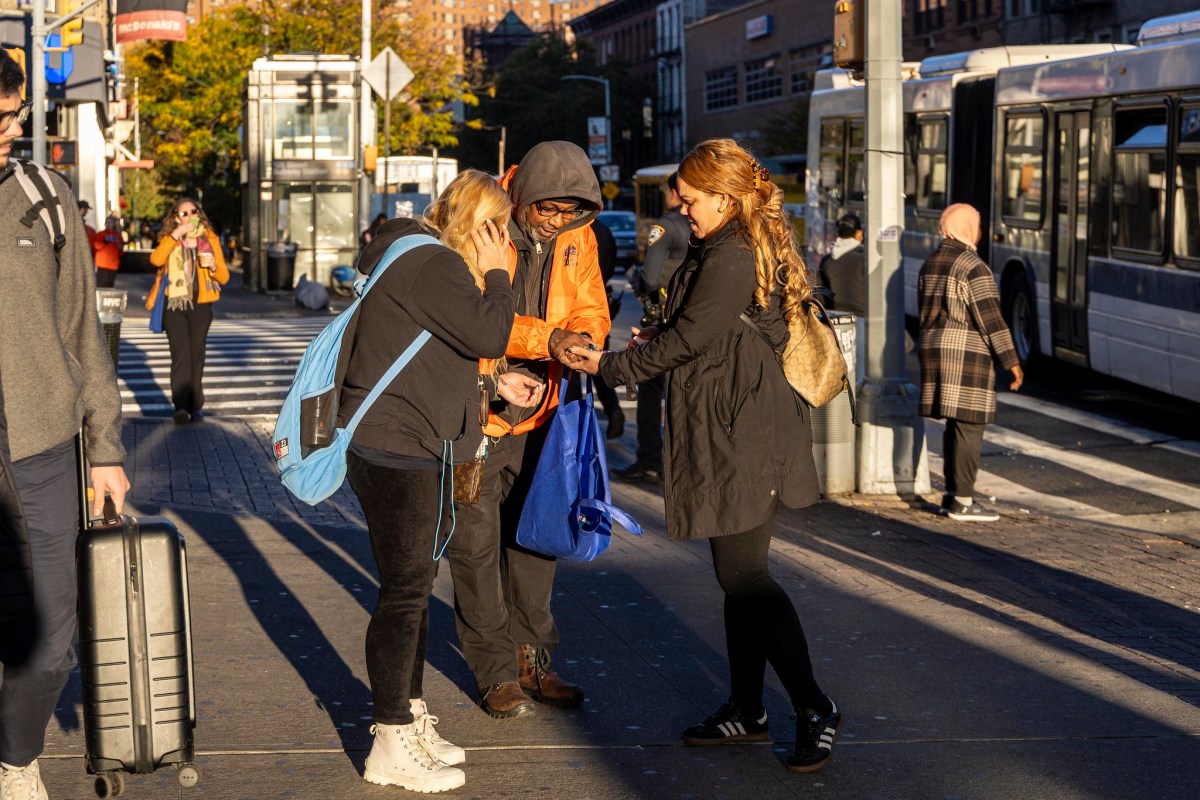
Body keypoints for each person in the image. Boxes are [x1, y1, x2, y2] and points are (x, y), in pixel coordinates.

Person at [570, 138, 843, 775]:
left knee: (744, 576)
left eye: (691, 200)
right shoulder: (722, 244)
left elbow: (693, 338)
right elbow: (700, 330)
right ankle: (747, 708)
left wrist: (608, 363)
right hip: (729, 420)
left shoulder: (732, 253)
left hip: (744, 429)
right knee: (734, 575)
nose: (683, 210)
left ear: (725, 196)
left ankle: (813, 704)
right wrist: (658, 334)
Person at [341, 169, 536, 793]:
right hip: (399, 448)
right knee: (404, 595)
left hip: (404, 442)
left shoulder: (413, 255)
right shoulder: (435, 263)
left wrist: (491, 384)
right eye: (493, 226)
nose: (500, 239)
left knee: (415, 591)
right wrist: (501, 275)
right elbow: (488, 331)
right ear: (470, 223)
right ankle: (390, 741)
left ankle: (412, 717)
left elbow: (436, 349)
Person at [0, 49, 131, 800]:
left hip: (42, 446)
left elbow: (85, 334)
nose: (12, 130)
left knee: (52, 644)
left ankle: (16, 759)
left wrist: (105, 447)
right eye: (1, 118)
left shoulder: (44, 197)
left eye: (16, 114)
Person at [446, 141, 610, 719]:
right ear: (523, 197)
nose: (557, 221)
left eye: (570, 213)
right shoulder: (483, 219)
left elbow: (590, 304)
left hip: (543, 411)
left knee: (537, 540)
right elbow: (473, 316)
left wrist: (585, 340)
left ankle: (533, 661)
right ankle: (494, 672)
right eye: (548, 210)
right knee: (475, 548)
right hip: (479, 410)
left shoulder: (576, 235)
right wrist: (549, 340)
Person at [918, 203, 1023, 522]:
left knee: (955, 424)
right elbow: (991, 319)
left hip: (934, 347)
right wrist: (1012, 362)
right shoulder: (973, 266)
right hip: (965, 352)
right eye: (976, 225)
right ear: (967, 227)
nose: (979, 231)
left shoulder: (931, 261)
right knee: (969, 424)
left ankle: (952, 496)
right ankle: (963, 501)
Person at [618, 171, 690, 485]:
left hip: (661, 317)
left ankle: (649, 460)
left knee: (649, 391)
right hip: (690, 319)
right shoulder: (706, 226)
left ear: (675, 192)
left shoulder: (666, 226)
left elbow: (649, 276)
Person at [148, 198, 230, 425]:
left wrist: (213, 265)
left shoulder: (209, 239)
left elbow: (223, 276)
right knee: (180, 355)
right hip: (174, 304)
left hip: (201, 304)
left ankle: (196, 405)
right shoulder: (170, 239)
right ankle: (181, 406)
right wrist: (176, 235)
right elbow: (155, 259)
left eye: (192, 212)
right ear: (176, 218)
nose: (188, 216)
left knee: (197, 355)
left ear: (198, 214)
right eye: (183, 213)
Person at [589, 215, 625, 439]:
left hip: (581, 303)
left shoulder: (576, 231)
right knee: (598, 362)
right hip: (601, 301)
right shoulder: (604, 230)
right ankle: (613, 410)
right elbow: (612, 264)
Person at [817, 213, 865, 315]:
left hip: (835, 318)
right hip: (862, 317)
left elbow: (821, 295)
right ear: (859, 233)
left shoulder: (827, 261)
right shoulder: (864, 259)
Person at [92, 215, 123, 288]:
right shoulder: (101, 234)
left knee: (110, 285)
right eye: (108, 222)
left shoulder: (118, 235)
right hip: (103, 264)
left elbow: (121, 251)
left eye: (111, 222)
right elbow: (96, 246)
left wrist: (121, 248)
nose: (109, 224)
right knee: (102, 285)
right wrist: (104, 242)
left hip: (113, 264)